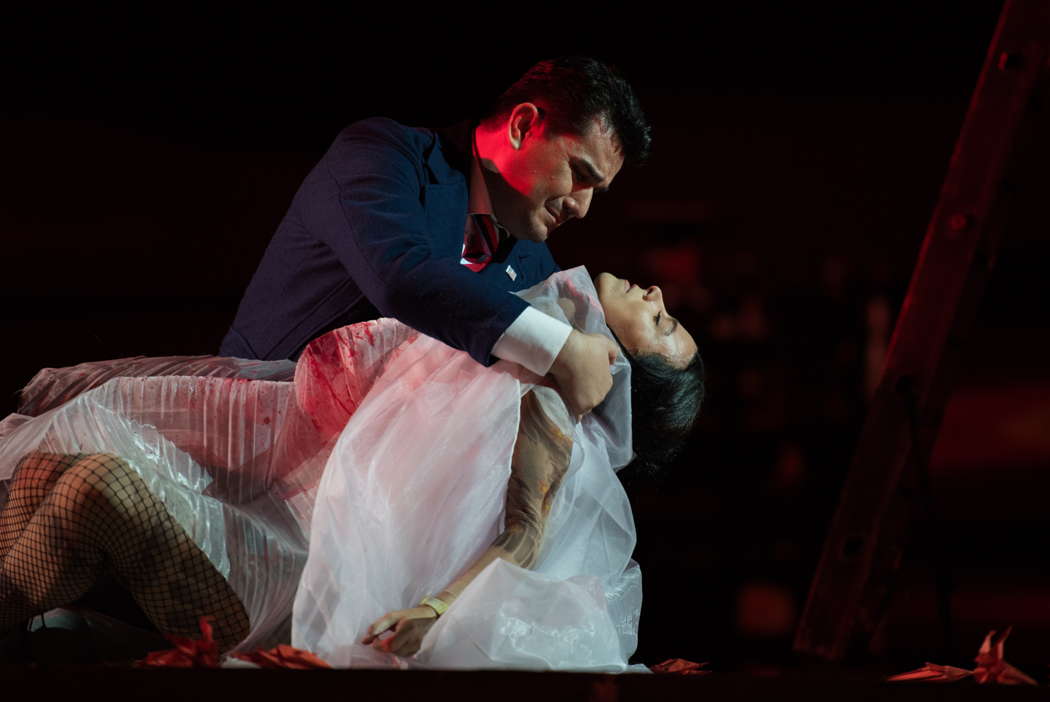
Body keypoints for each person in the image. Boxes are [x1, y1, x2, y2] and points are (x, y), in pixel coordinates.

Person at [0, 268, 702, 668]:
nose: (660, 298)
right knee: (49, 474)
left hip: (293, 595)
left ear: (623, 373)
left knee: (95, 489)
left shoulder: (550, 416)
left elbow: (522, 537)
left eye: (664, 327)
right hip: (280, 530)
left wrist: (432, 610)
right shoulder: (512, 340)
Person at [220, 57, 652, 418]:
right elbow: (402, 277)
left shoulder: (540, 267)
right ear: (522, 125)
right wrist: (560, 348)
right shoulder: (383, 154)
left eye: (597, 190)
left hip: (369, 491)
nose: (582, 207)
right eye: (579, 174)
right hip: (242, 433)